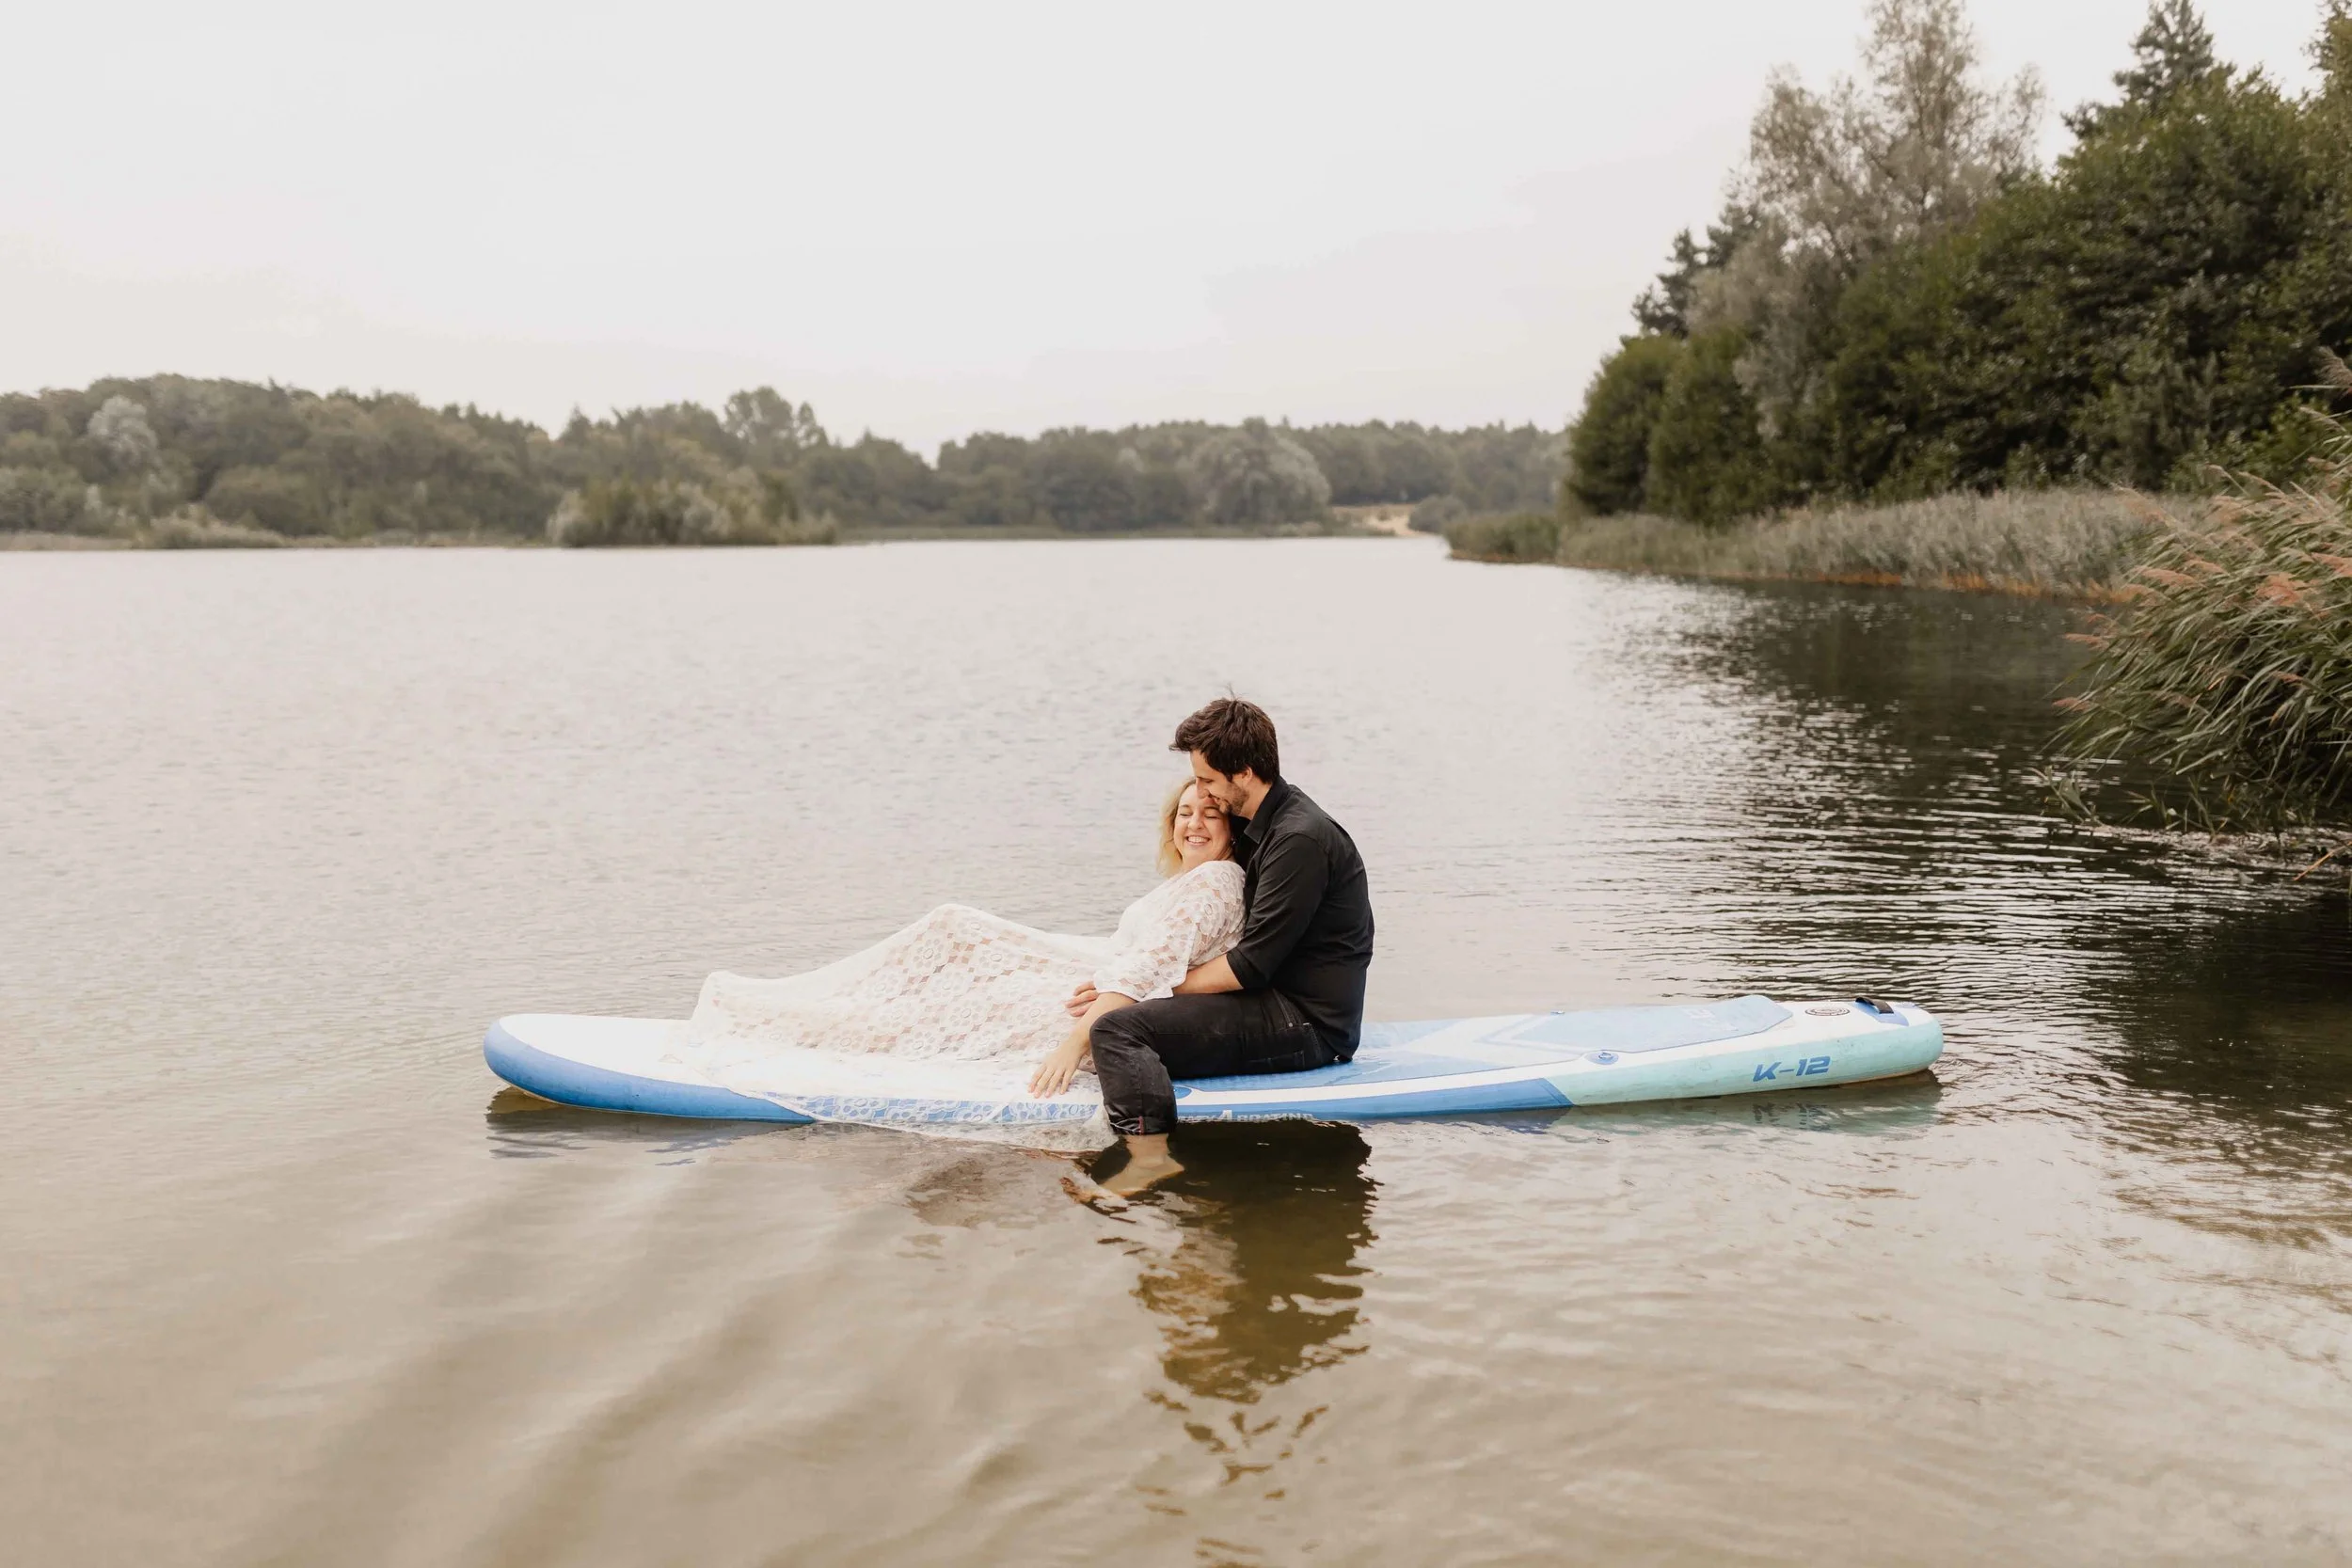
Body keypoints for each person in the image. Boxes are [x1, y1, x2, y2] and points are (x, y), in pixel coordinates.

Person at [672, 782, 1245, 1117]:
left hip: (1116, 1011)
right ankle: (831, 1018)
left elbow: (1151, 966)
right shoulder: (1185, 883)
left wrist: (1075, 1045)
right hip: (1109, 991)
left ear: (1233, 828)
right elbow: (1139, 954)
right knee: (959, 936)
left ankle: (819, 1029)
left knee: (964, 999)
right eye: (1184, 813)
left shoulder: (1217, 881)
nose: (1193, 824)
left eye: (1210, 814)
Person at [1077, 698, 1375, 1193]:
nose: (1202, 791)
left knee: (1117, 1031)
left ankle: (1149, 1155)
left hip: (1307, 1023)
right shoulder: (1268, 824)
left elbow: (1250, 966)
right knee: (1121, 1015)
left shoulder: (1298, 840)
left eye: (1210, 781)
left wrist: (1151, 991)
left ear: (1246, 772)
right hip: (1275, 1000)